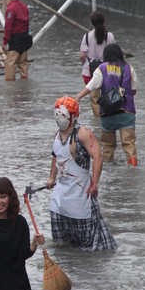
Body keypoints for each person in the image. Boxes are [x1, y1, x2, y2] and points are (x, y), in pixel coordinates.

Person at [46, 96, 117, 251]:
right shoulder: (57, 135)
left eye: (63, 115)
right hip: (61, 195)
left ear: (73, 116)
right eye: (57, 114)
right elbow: (55, 156)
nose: (59, 118)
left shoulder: (83, 133)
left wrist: (95, 182)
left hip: (80, 192)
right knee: (62, 243)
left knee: (89, 241)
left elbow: (98, 156)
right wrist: (51, 178)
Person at [76, 43, 138, 166]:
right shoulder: (129, 68)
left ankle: (109, 170)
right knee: (129, 144)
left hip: (107, 113)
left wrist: (78, 97)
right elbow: (134, 90)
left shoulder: (102, 68)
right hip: (126, 111)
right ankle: (133, 167)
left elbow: (91, 86)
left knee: (108, 147)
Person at [79, 10, 116, 119]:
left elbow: (82, 55)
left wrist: (86, 63)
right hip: (107, 71)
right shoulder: (110, 36)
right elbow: (113, 53)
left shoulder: (87, 37)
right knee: (108, 94)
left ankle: (98, 120)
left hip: (89, 71)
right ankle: (108, 116)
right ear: (104, 21)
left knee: (94, 98)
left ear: (91, 23)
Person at [3, 0, 32, 81]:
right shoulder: (24, 6)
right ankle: (24, 87)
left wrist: (5, 42)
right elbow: (27, 23)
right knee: (23, 63)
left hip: (15, 39)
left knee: (10, 64)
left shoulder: (11, 9)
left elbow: (8, 27)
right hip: (25, 38)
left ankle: (10, 90)